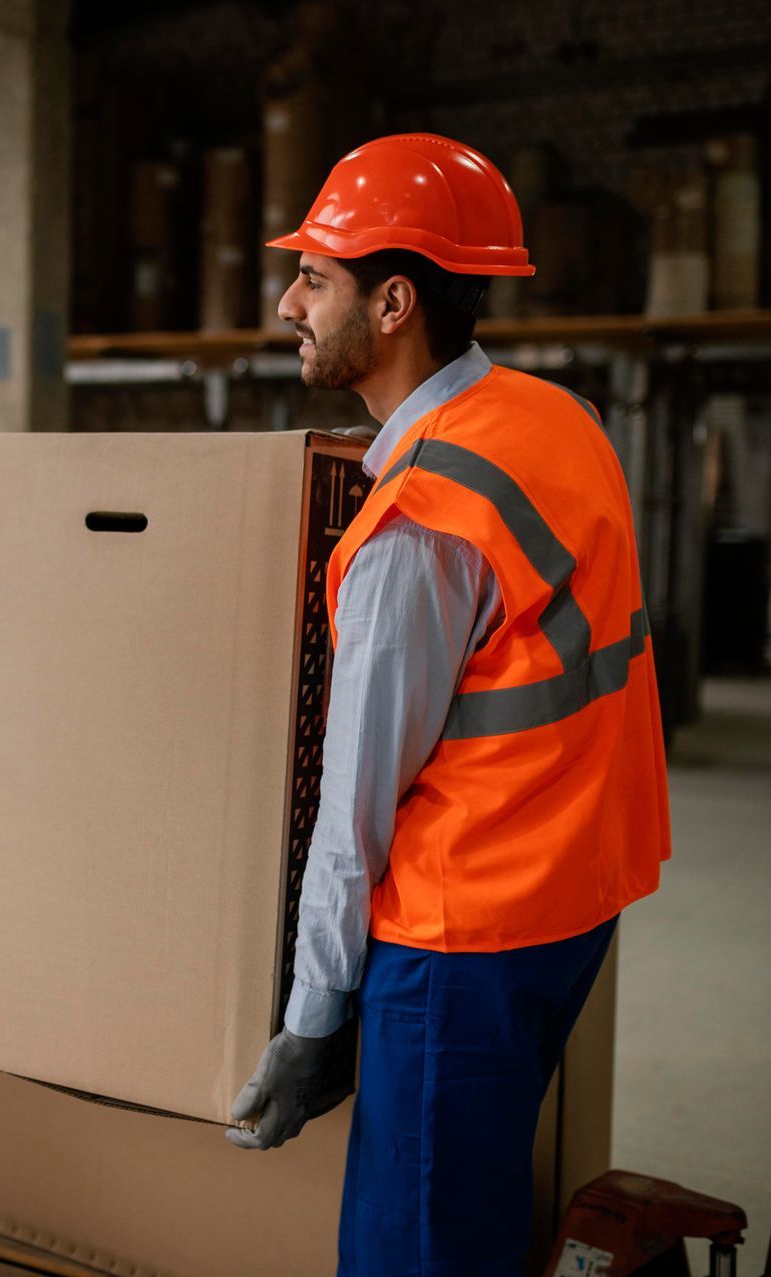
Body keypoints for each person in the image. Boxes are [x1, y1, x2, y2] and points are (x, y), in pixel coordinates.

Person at [225, 135, 670, 1275]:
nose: (287, 301)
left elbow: (357, 799)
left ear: (394, 300)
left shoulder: (422, 522)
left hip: (462, 935)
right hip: (574, 899)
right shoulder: (553, 418)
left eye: (314, 276)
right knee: (470, 1212)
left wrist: (316, 1012)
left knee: (416, 1249)